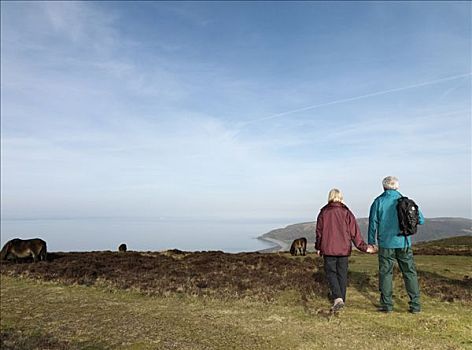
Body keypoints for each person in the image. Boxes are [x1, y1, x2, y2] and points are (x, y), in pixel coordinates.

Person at [368, 176, 425, 313]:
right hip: (404, 242)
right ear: (397, 187)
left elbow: (372, 223)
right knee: (409, 273)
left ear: (384, 187)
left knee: (386, 273)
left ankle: (387, 306)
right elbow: (421, 220)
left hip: (386, 243)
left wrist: (371, 242)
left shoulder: (379, 202)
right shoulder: (406, 201)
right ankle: (415, 305)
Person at [315, 188, 375, 312]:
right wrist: (363, 247)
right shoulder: (346, 212)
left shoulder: (324, 212)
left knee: (331, 273)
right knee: (342, 274)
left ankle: (338, 298)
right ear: (341, 197)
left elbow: (319, 233)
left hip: (328, 249)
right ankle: (341, 299)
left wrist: (318, 247)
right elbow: (354, 233)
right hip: (343, 249)